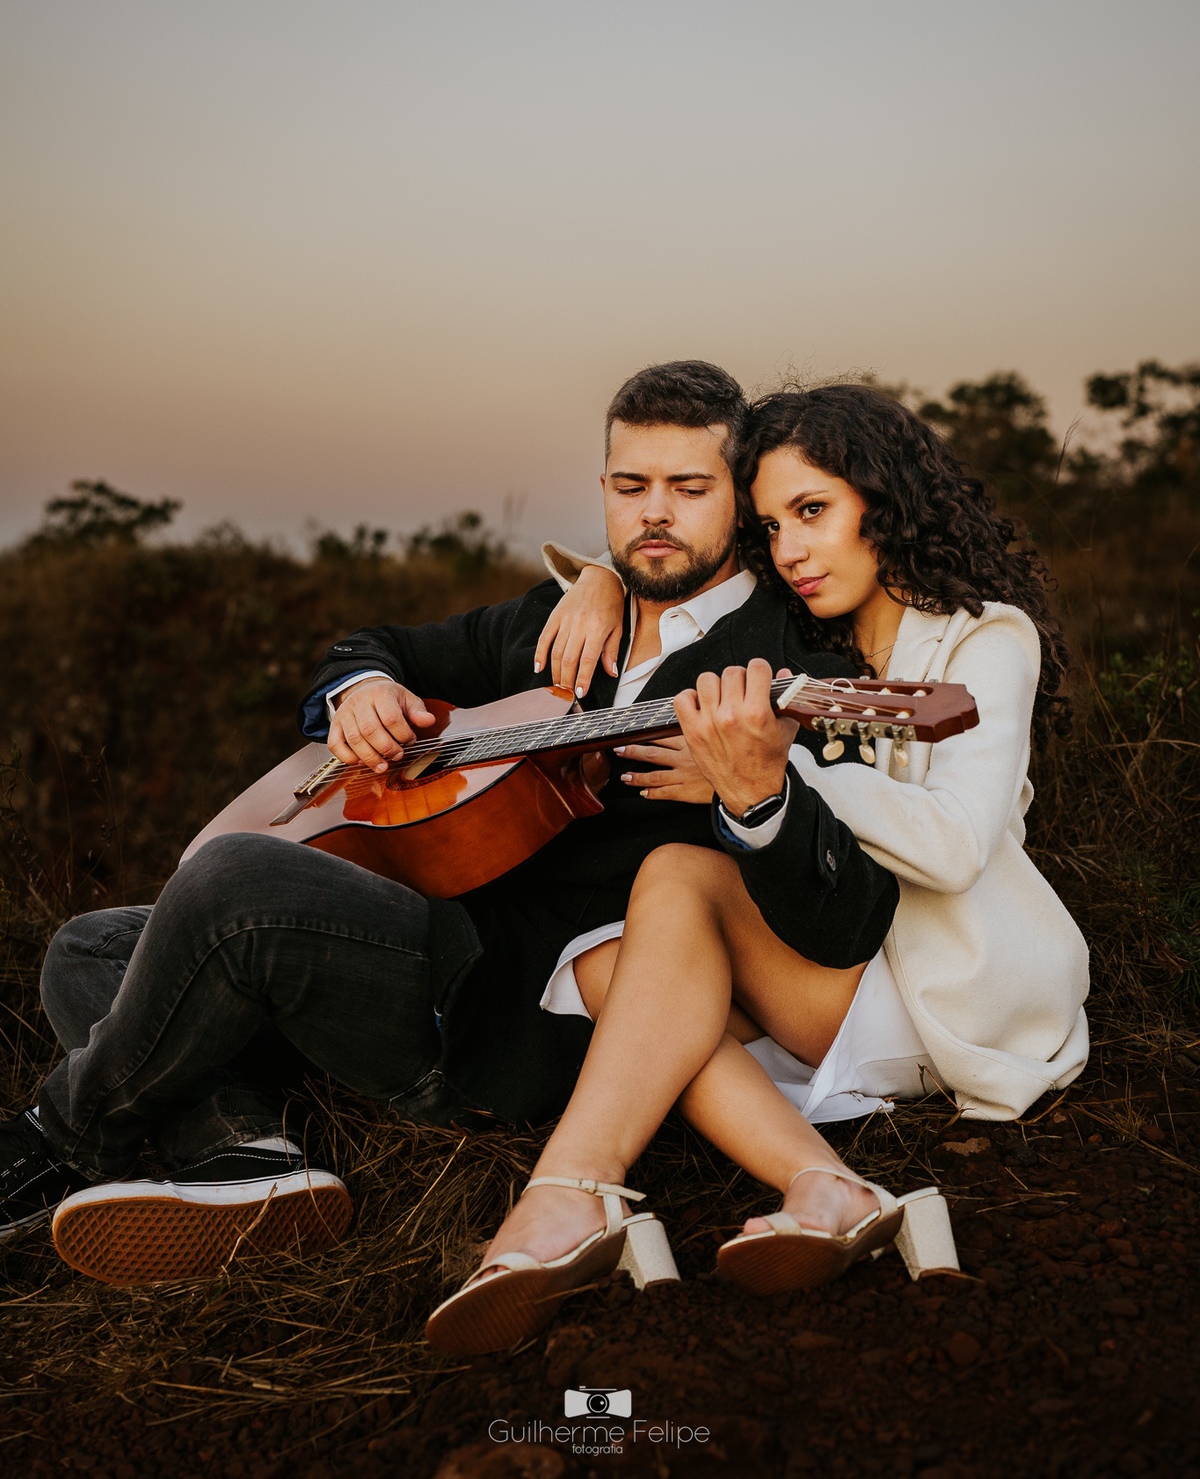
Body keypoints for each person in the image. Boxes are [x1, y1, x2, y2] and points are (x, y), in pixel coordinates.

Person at [0, 362, 897, 1289]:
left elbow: (841, 922)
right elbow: (373, 648)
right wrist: (363, 693)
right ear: (602, 488)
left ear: (740, 499)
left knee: (232, 882)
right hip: (428, 930)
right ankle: (243, 1154)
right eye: (632, 487)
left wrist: (756, 795)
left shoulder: (789, 667)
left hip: (514, 1012)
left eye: (689, 488)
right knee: (89, 947)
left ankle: (55, 1141)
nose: (655, 513)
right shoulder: (552, 619)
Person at [424, 382, 1089, 1354]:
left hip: (939, 981)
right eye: (773, 525)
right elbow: (685, 574)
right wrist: (603, 579)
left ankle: (567, 1193)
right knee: (611, 969)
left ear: (886, 500)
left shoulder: (985, 636)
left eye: (814, 511)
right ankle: (828, 1186)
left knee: (674, 875)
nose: (791, 551)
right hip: (827, 965)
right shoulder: (808, 629)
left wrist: (777, 774)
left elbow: (954, 846)